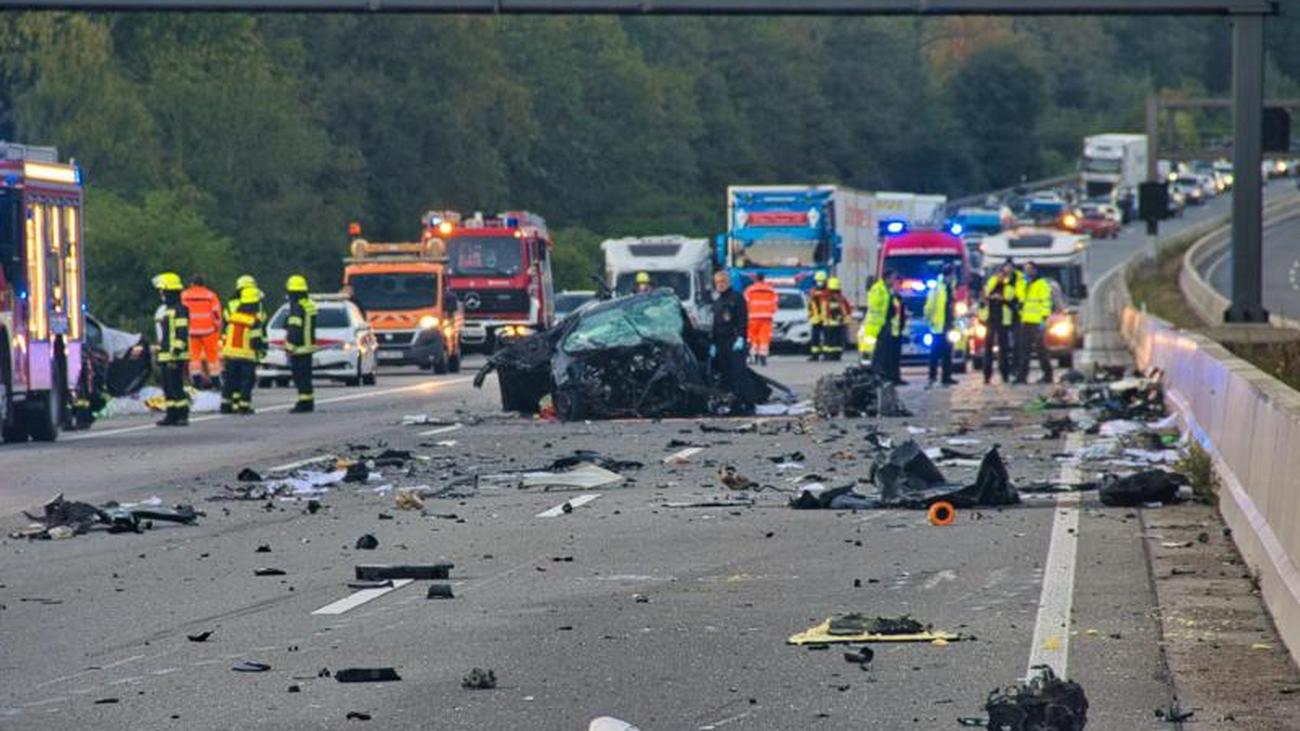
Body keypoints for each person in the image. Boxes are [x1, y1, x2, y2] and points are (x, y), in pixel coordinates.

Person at [710, 269, 753, 414]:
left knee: (739, 374)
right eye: (717, 283)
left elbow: (742, 319)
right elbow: (715, 324)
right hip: (721, 342)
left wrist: (741, 337)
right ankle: (731, 404)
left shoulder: (737, 298)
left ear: (728, 282)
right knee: (725, 375)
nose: (720, 285)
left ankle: (746, 404)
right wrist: (713, 343)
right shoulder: (717, 302)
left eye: (722, 282)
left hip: (734, 341)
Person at [152, 272, 190, 427]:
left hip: (175, 355)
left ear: (170, 291)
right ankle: (171, 415)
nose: (161, 294)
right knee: (167, 387)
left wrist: (176, 351)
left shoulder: (180, 309)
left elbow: (182, 332)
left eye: (163, 291)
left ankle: (182, 415)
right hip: (166, 355)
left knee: (176, 387)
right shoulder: (167, 310)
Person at [220, 287, 264, 414]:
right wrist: (260, 352)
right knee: (246, 382)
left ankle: (225, 405)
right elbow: (256, 341)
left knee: (230, 381)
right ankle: (243, 406)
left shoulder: (233, 317)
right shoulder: (254, 320)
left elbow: (226, 334)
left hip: (230, 354)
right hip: (246, 355)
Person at [1015, 262, 1057, 384]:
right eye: (1025, 270)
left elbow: (1046, 302)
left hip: (1037, 322)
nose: (1027, 272)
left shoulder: (1041, 284)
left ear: (1035, 270)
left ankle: (1048, 376)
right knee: (1024, 351)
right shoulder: (1026, 284)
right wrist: (1022, 283)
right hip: (1026, 320)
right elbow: (1020, 296)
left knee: (1041, 351)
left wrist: (1044, 318)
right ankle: (1022, 377)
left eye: (1029, 269)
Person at [284, 274, 318, 413]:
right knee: (306, 377)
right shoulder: (309, 304)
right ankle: (308, 402)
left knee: (300, 378)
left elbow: (295, 329)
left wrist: (289, 347)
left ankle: (303, 403)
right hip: (308, 347)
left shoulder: (297, 307)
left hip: (299, 349)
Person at [181, 275, 222, 389]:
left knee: (194, 358)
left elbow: (180, 312)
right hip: (208, 331)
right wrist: (217, 328)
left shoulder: (184, 295)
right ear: (203, 284)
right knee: (212, 358)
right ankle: (216, 382)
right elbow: (216, 314)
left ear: (191, 284)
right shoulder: (210, 295)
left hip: (191, 331)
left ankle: (196, 382)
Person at [980, 262, 1018, 384]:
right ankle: (987, 375)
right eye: (1000, 274)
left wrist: (1002, 299)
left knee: (1004, 350)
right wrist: (990, 298)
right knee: (988, 350)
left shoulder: (1009, 288)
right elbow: (983, 301)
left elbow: (1012, 303)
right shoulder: (990, 285)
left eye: (1004, 275)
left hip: (1003, 321)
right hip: (990, 320)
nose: (1002, 277)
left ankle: (1005, 374)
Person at [924, 264, 959, 387]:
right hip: (938, 326)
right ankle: (932, 376)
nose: (954, 276)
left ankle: (946, 377)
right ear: (948, 275)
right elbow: (929, 307)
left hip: (948, 324)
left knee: (947, 352)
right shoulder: (937, 288)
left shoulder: (950, 287)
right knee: (935, 353)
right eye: (953, 274)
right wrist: (930, 321)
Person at [743, 273, 778, 366]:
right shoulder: (771, 290)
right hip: (766, 318)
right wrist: (769, 311)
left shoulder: (749, 290)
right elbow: (775, 305)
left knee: (752, 337)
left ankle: (753, 356)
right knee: (764, 338)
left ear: (755, 279)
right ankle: (763, 357)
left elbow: (745, 303)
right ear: (764, 279)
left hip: (752, 317)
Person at [859, 272, 892, 365]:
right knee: (869, 347)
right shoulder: (878, 290)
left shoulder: (882, 290)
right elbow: (876, 305)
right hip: (874, 325)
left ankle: (870, 366)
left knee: (872, 347)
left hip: (877, 324)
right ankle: (867, 366)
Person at [822, 276, 852, 361]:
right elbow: (846, 310)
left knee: (829, 342)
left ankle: (828, 355)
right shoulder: (840, 298)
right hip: (838, 324)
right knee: (837, 341)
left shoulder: (826, 297)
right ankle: (836, 355)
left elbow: (826, 311)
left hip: (829, 323)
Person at [806, 271, 830, 361]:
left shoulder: (828, 292)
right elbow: (810, 305)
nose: (819, 283)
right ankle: (815, 355)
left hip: (825, 318)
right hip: (816, 318)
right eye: (818, 281)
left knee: (827, 338)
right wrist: (810, 315)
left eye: (821, 281)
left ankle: (827, 355)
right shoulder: (813, 291)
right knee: (815, 338)